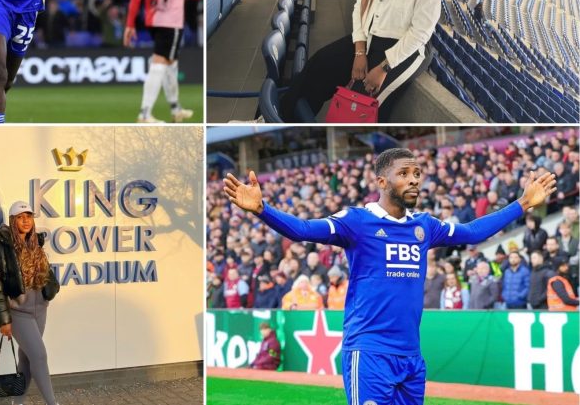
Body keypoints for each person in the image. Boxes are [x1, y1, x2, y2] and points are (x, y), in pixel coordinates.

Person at [223, 148, 555, 405]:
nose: (414, 180)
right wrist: (262, 210)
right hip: (369, 351)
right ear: (382, 182)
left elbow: (470, 232)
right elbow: (304, 230)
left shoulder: (424, 225)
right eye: (404, 174)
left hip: (411, 356)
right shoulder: (356, 221)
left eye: (417, 173)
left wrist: (523, 203)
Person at [276, 0, 441, 122]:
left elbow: (420, 33)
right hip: (370, 39)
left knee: (362, 101)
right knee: (319, 65)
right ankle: (279, 118)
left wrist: (384, 67)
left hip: (404, 50)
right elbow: (359, 10)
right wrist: (359, 51)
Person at [123, 0, 203, 123]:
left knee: (170, 63)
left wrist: (130, 24)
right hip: (171, 21)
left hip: (151, 20)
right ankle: (144, 114)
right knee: (160, 62)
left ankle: (176, 109)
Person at [0, 201, 60, 405]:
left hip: (40, 310)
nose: (26, 221)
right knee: (39, 357)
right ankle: (53, 403)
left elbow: (45, 272)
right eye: (20, 217)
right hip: (19, 313)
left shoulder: (36, 243)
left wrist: (51, 289)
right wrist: (3, 321)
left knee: (27, 360)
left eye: (29, 216)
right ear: (13, 220)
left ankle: (17, 404)